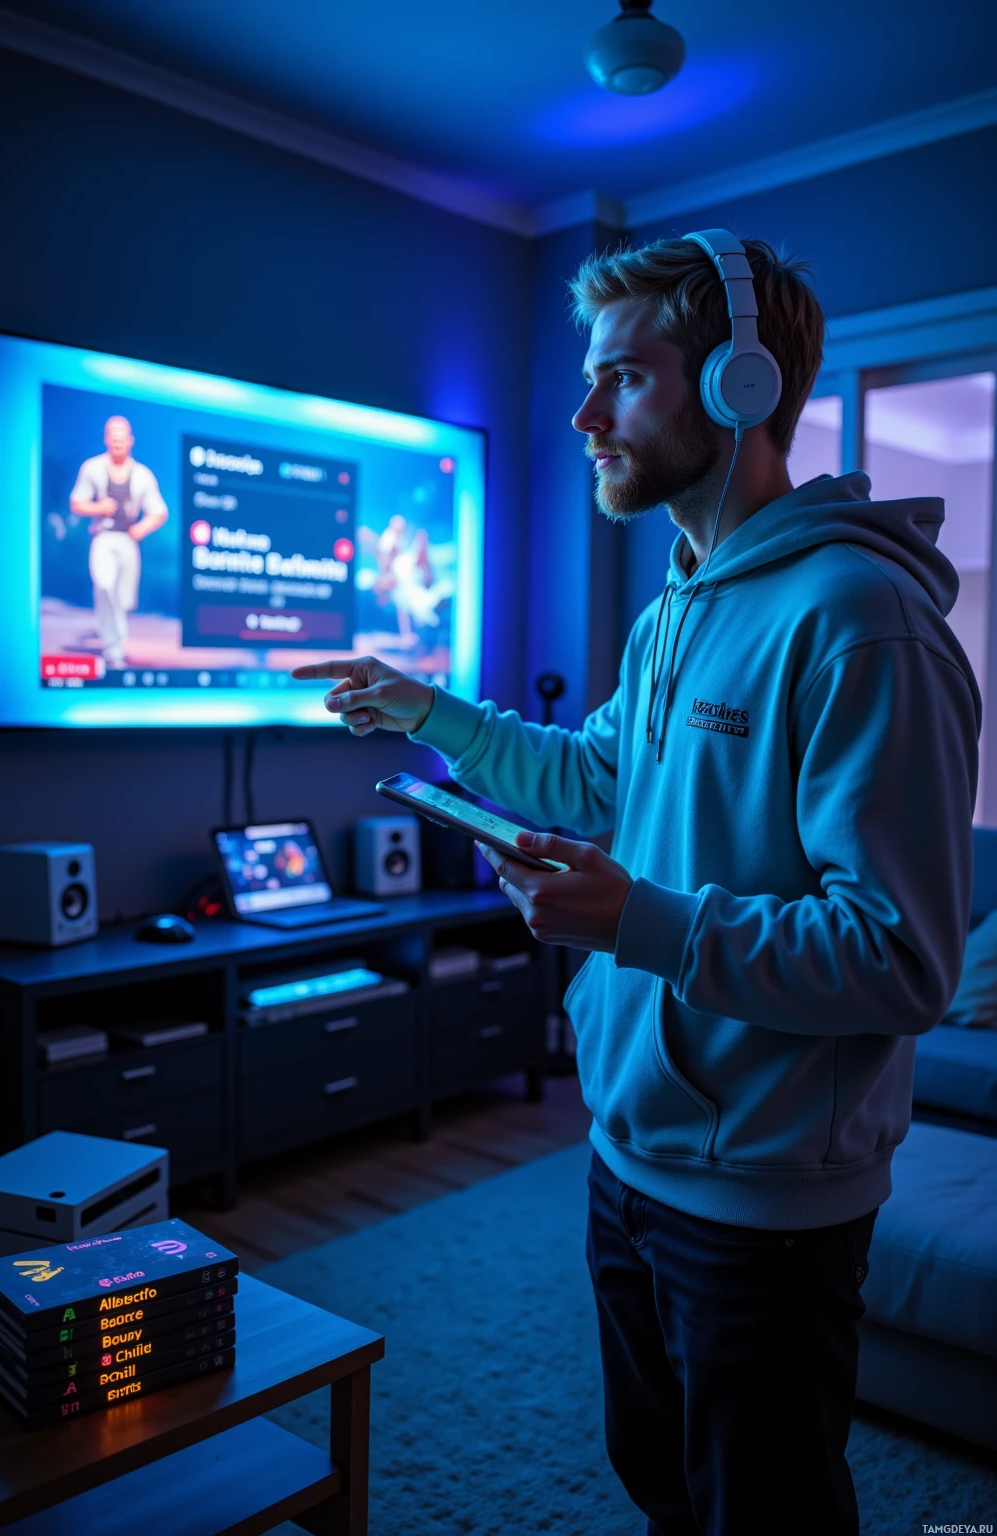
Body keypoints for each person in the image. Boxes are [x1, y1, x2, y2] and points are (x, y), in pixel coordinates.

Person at [292, 235, 979, 1536]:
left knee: (762, 1512)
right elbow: (599, 777)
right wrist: (433, 713)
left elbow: (902, 958)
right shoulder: (675, 612)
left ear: (738, 387)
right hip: (628, 1149)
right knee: (661, 1482)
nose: (584, 415)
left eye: (624, 380)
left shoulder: (860, 622)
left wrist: (639, 921)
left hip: (767, 1194)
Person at [69, 415, 168, 667]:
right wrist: (99, 507)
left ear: (130, 441)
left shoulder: (143, 475)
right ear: (106, 439)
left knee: (123, 598)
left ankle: (116, 640)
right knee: (104, 585)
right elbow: (77, 502)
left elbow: (159, 511)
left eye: (122, 437)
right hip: (103, 537)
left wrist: (142, 528)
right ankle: (113, 649)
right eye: (113, 437)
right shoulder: (92, 468)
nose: (117, 442)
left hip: (128, 541)